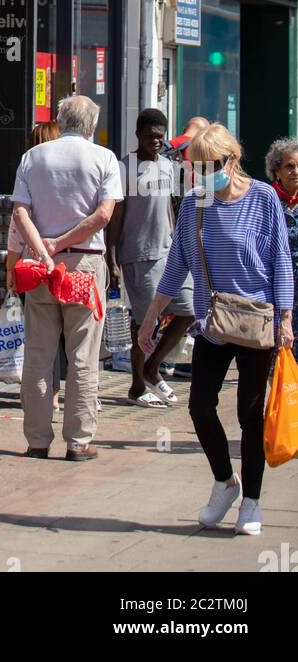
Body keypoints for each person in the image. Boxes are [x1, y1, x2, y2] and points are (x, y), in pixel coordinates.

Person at [139, 124, 294, 536]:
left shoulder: (263, 199)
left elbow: (280, 261)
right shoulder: (196, 203)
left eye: (210, 166)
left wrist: (285, 318)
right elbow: (178, 262)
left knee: (249, 413)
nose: (203, 174)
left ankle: (253, 503)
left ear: (232, 159)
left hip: (256, 320)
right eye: (198, 167)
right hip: (213, 321)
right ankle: (226, 483)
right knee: (200, 406)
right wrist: (154, 313)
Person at [11, 95, 123, 462]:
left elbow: (20, 213)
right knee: (83, 356)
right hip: (85, 267)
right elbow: (104, 215)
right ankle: (78, 441)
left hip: (40, 267)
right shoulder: (104, 158)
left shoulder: (33, 157)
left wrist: (45, 252)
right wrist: (62, 242)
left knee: (39, 356)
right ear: (91, 125)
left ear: (59, 121)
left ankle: (36, 441)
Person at [106, 108, 195, 408]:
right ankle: (136, 385)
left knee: (189, 310)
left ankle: (152, 367)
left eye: (160, 136)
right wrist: (112, 259)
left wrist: (178, 244)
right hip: (138, 255)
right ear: (138, 135)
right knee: (145, 322)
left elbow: (169, 207)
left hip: (169, 253)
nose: (156, 141)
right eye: (150, 136)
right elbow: (115, 216)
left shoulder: (170, 167)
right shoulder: (124, 167)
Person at [5, 122, 61, 412]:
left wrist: (9, 272)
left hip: (32, 270)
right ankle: (55, 394)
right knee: (63, 335)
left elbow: (17, 231)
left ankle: (37, 396)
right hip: (67, 263)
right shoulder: (65, 180)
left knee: (39, 337)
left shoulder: (28, 175)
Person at [264, 137, 298, 327]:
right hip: (276, 287)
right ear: (276, 171)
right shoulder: (266, 199)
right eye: (290, 166)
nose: (296, 172)